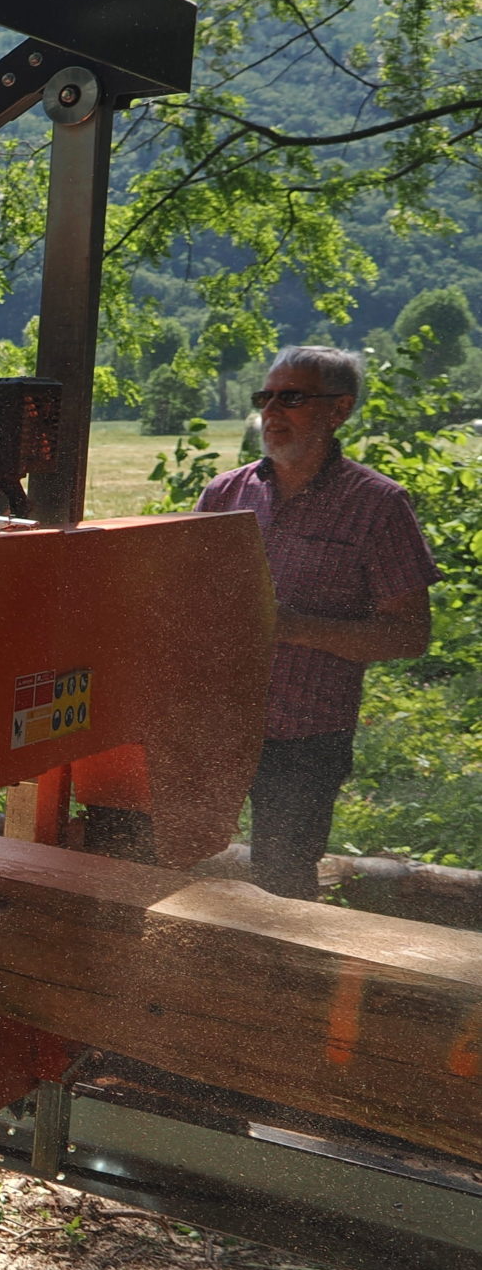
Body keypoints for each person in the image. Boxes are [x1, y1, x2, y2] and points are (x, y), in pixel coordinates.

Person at [197, 345, 438, 898]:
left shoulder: (378, 505)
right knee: (174, 855)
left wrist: (294, 627)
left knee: (283, 877)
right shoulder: (225, 494)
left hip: (306, 736)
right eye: (265, 397)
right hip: (212, 720)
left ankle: (283, 956)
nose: (271, 412)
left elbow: (410, 635)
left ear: (339, 409)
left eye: (292, 398)